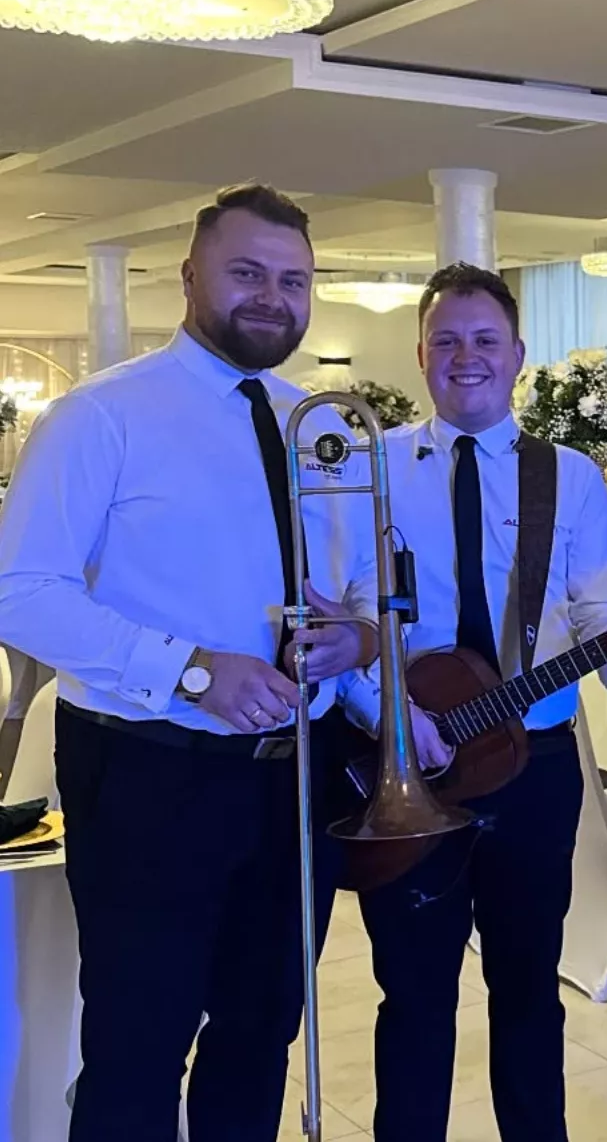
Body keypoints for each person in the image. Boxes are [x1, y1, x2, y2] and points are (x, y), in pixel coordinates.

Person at [0, 184, 380, 1142]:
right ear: (189, 277)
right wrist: (190, 670)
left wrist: (357, 637)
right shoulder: (101, 415)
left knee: (261, 1033)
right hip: (149, 774)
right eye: (247, 273)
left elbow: (358, 586)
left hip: (296, 776)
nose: (273, 298)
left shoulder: (321, 425)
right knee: (139, 1044)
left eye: (293, 280)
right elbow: (20, 590)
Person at [337, 262, 607, 1142]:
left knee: (527, 988)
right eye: (446, 340)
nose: (466, 356)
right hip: (403, 761)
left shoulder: (570, 477)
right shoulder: (371, 472)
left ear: (517, 354)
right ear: (420, 354)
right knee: (413, 993)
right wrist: (389, 719)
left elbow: (599, 607)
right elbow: (343, 617)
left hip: (535, 768)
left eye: (485, 340)